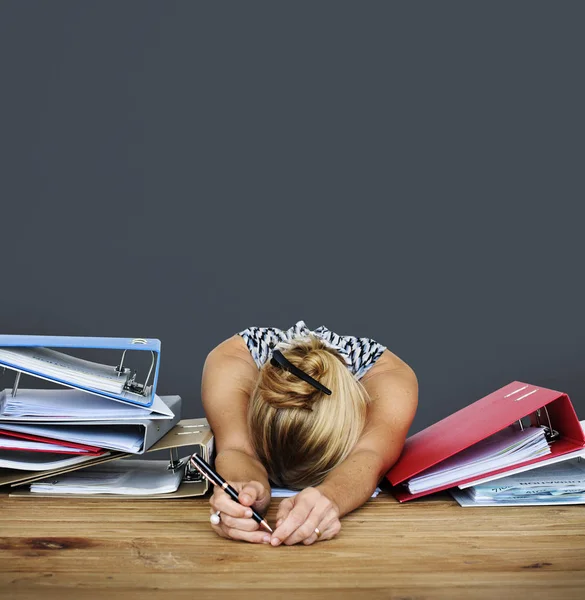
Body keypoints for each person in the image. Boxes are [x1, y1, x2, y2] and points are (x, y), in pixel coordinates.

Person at [201, 320, 418, 547]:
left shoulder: (392, 380)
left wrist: (331, 497)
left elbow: (369, 457)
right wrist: (244, 488)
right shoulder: (229, 362)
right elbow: (237, 448)